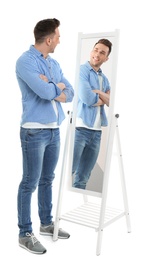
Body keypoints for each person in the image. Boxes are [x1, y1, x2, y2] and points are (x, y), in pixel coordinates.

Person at [16, 18, 74, 254]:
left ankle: (47, 224)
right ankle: (24, 232)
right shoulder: (25, 62)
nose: (60, 40)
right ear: (49, 39)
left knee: (47, 179)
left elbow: (69, 93)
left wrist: (55, 87)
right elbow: (45, 91)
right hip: (34, 131)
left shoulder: (54, 63)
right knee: (29, 182)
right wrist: (55, 87)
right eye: (58, 37)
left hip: (53, 130)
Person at [72, 39, 112, 189]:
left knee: (83, 179)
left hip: (96, 133)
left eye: (102, 52)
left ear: (106, 58)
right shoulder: (82, 70)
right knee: (69, 171)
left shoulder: (105, 79)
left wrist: (99, 92)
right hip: (80, 129)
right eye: (96, 50)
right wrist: (104, 97)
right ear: (91, 51)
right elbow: (87, 98)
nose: (97, 54)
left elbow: (112, 102)